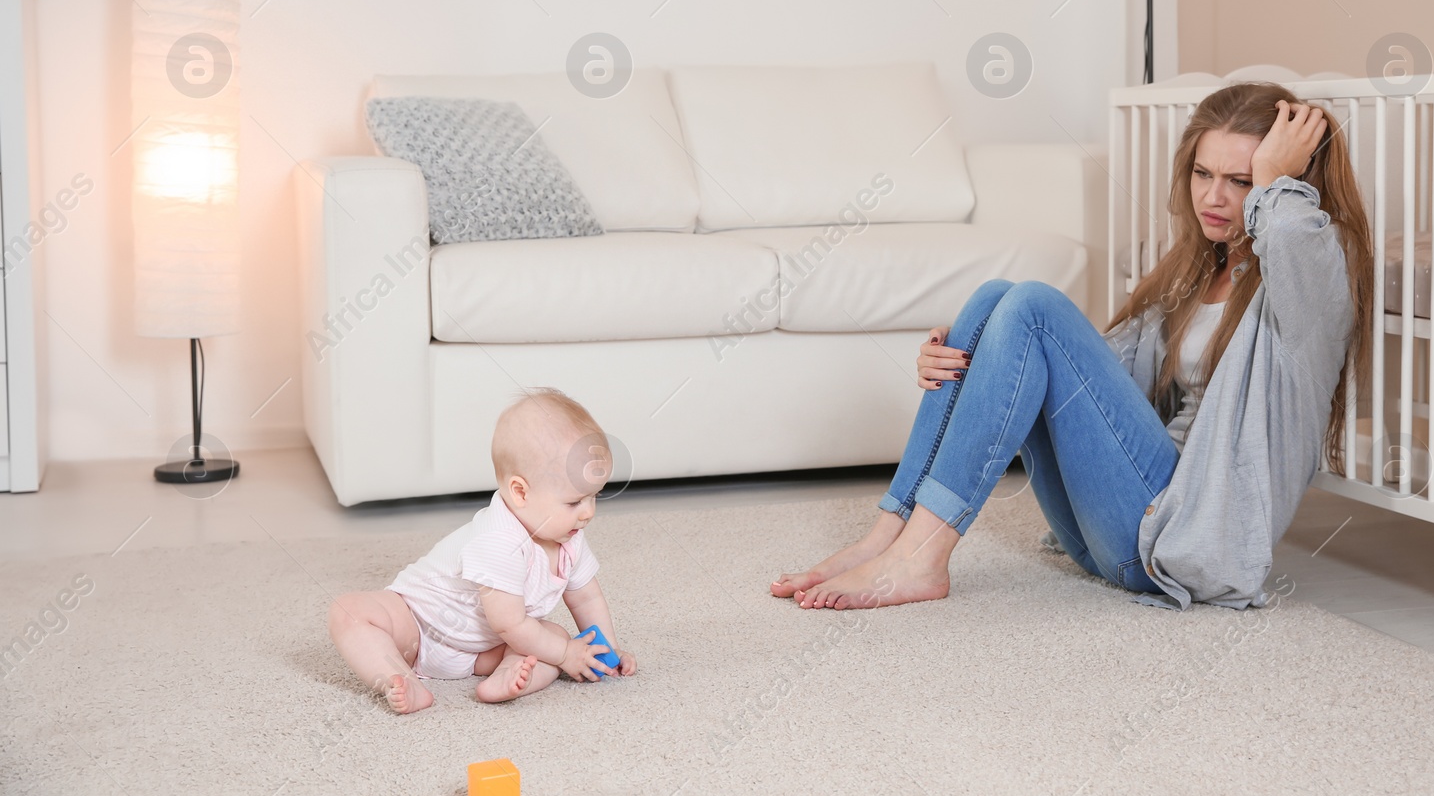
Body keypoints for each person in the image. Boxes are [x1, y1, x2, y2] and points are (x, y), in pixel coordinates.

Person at [770, 84, 1373, 611]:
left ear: (1285, 181)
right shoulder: (1198, 271)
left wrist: (1276, 181)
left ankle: (922, 557)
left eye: (1241, 181)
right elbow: (1088, 379)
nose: (1214, 198)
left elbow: (1291, 233)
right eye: (1202, 173)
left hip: (1173, 542)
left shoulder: (1315, 275)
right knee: (994, 300)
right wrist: (969, 357)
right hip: (1104, 528)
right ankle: (890, 535)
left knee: (1033, 305)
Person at [328, 388, 637, 713]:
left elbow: (587, 598)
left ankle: (506, 678)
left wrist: (608, 651)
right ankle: (396, 675)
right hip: (416, 626)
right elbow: (511, 624)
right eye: (574, 501)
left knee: (554, 637)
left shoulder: (569, 537)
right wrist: (563, 654)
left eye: (594, 496)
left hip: (481, 652)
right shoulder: (498, 540)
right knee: (348, 611)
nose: (588, 512)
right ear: (520, 492)